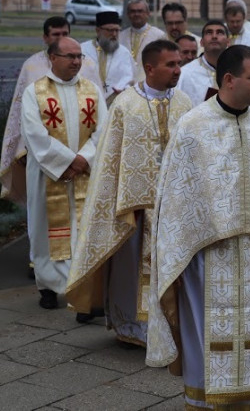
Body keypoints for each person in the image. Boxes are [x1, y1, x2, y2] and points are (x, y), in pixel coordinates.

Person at [145, 45, 250, 410]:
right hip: (208, 253)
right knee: (206, 329)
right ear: (229, 79)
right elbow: (175, 201)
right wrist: (178, 253)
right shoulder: (193, 127)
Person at [66, 40, 192, 346]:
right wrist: (124, 200)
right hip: (134, 209)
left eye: (179, 63)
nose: (178, 69)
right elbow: (110, 161)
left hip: (174, 206)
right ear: (150, 68)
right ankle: (133, 327)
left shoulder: (185, 103)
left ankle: (172, 325)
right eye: (171, 64)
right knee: (131, 269)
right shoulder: (125, 105)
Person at [20, 36, 107, 315]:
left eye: (79, 56)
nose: (76, 61)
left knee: (82, 231)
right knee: (45, 230)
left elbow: (103, 130)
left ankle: (82, 292)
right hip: (48, 174)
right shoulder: (34, 92)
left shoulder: (91, 90)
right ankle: (48, 287)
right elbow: (34, 134)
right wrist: (67, 162)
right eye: (70, 56)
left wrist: (83, 160)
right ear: (52, 58)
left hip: (84, 174)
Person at [0, 17, 100, 205]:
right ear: (45, 38)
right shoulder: (32, 69)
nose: (60, 38)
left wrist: (84, 159)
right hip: (45, 164)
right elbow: (26, 122)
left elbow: (102, 123)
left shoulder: (89, 70)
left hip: (85, 164)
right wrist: (64, 161)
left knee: (84, 216)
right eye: (56, 34)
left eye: (65, 34)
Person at [81, 11, 134, 104]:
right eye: (110, 30)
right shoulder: (83, 50)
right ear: (98, 31)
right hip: (87, 101)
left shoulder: (124, 53)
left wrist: (123, 88)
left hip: (115, 102)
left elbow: (129, 78)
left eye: (117, 30)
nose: (114, 34)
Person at [176, 20, 230, 107]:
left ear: (228, 42)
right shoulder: (185, 73)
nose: (214, 36)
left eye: (219, 32)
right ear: (201, 42)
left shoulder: (238, 71)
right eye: (209, 33)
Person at [120, 0, 166, 81]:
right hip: (124, 82)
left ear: (148, 13)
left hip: (150, 82)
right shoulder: (121, 36)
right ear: (128, 14)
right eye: (133, 11)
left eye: (140, 11)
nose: (136, 14)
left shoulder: (159, 36)